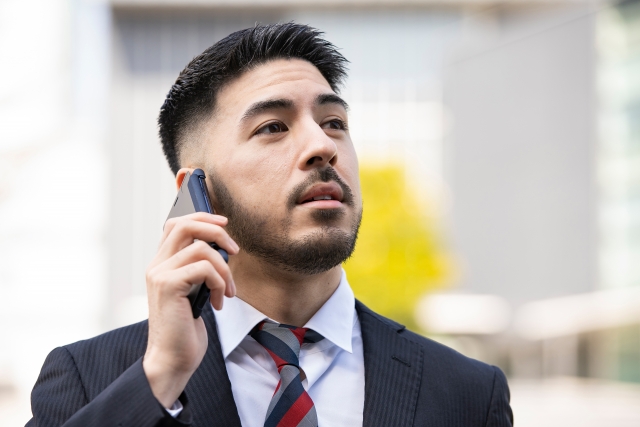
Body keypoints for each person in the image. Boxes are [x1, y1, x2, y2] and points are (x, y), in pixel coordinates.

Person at [27, 23, 513, 427]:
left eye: (335, 122)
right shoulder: (90, 378)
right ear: (197, 189)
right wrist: (160, 377)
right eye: (273, 127)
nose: (322, 145)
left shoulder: (469, 394)